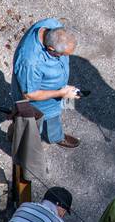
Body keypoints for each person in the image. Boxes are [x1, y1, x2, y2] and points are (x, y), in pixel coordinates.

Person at [10, 17, 81, 149]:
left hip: (54, 98)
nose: (64, 57)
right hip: (38, 103)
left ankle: (55, 137)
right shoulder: (30, 62)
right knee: (31, 127)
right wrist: (61, 92)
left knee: (53, 118)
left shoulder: (52, 26)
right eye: (62, 55)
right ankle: (19, 140)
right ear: (50, 48)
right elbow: (29, 94)